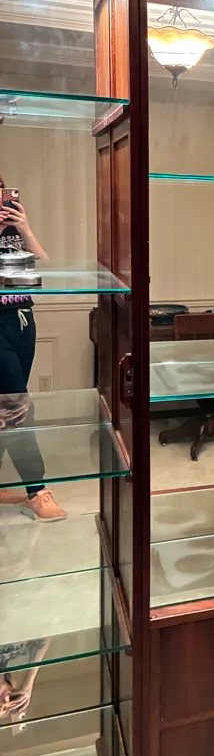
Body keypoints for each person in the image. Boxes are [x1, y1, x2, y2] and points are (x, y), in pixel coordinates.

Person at [0, 179, 66, 519]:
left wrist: (24, 228)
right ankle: (37, 490)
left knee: (5, 406)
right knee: (18, 406)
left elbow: (45, 267)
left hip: (23, 320)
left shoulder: (14, 229)